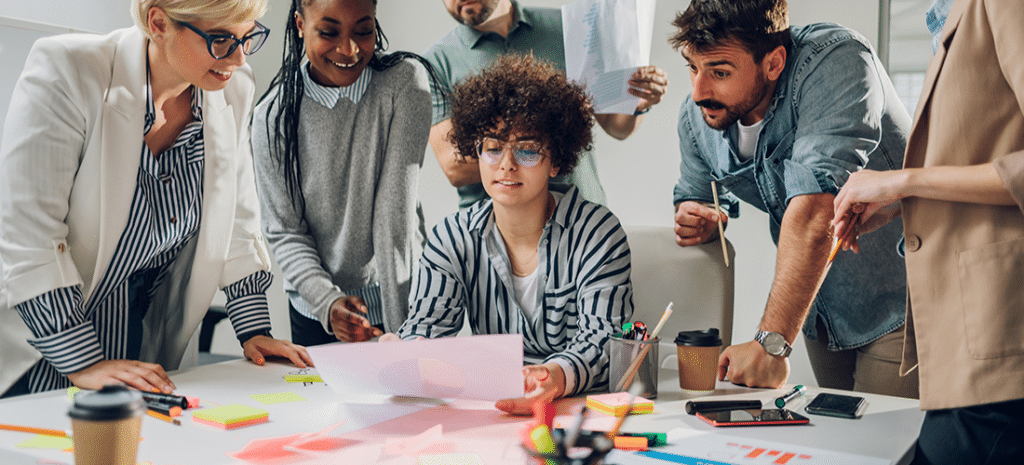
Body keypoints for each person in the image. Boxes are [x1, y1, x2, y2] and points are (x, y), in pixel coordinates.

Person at [0, 0, 312, 398]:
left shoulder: (234, 88)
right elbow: (30, 239)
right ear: (159, 22)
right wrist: (83, 361)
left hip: (146, 355)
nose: (237, 57)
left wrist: (255, 330)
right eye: (220, 39)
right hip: (42, 346)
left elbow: (238, 219)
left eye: (247, 36)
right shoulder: (70, 69)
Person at [670, 0, 918, 397]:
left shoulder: (837, 61)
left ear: (773, 62)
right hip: (820, 312)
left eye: (719, 72)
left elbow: (813, 211)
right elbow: (695, 195)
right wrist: (699, 216)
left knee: (879, 449)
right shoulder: (697, 117)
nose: (699, 91)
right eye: (692, 67)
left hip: (900, 300)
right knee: (837, 445)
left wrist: (771, 343)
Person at [382, 54, 633, 416]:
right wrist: (406, 351)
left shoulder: (597, 233)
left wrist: (554, 376)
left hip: (576, 412)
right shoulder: (450, 239)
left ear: (557, 160)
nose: (507, 164)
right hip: (493, 411)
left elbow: (605, 342)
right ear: (477, 151)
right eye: (493, 147)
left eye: (528, 150)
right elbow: (426, 326)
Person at [833, 0, 1024, 461]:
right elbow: (987, 144)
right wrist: (902, 202)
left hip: (1003, 334)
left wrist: (904, 180)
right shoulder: (947, 12)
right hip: (972, 341)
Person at [252, 0, 437, 346]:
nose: (349, 49)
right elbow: (285, 231)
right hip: (318, 311)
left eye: (364, 31)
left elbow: (394, 214)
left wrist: (402, 333)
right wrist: (329, 303)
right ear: (300, 24)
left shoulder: (404, 84)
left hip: (402, 299)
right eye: (329, 32)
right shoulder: (272, 117)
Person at [426, 0, 670, 208]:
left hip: (580, 213)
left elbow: (615, 126)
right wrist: (557, 122)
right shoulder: (435, 62)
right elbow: (455, 168)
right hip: (495, 232)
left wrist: (637, 103)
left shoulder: (568, 27)